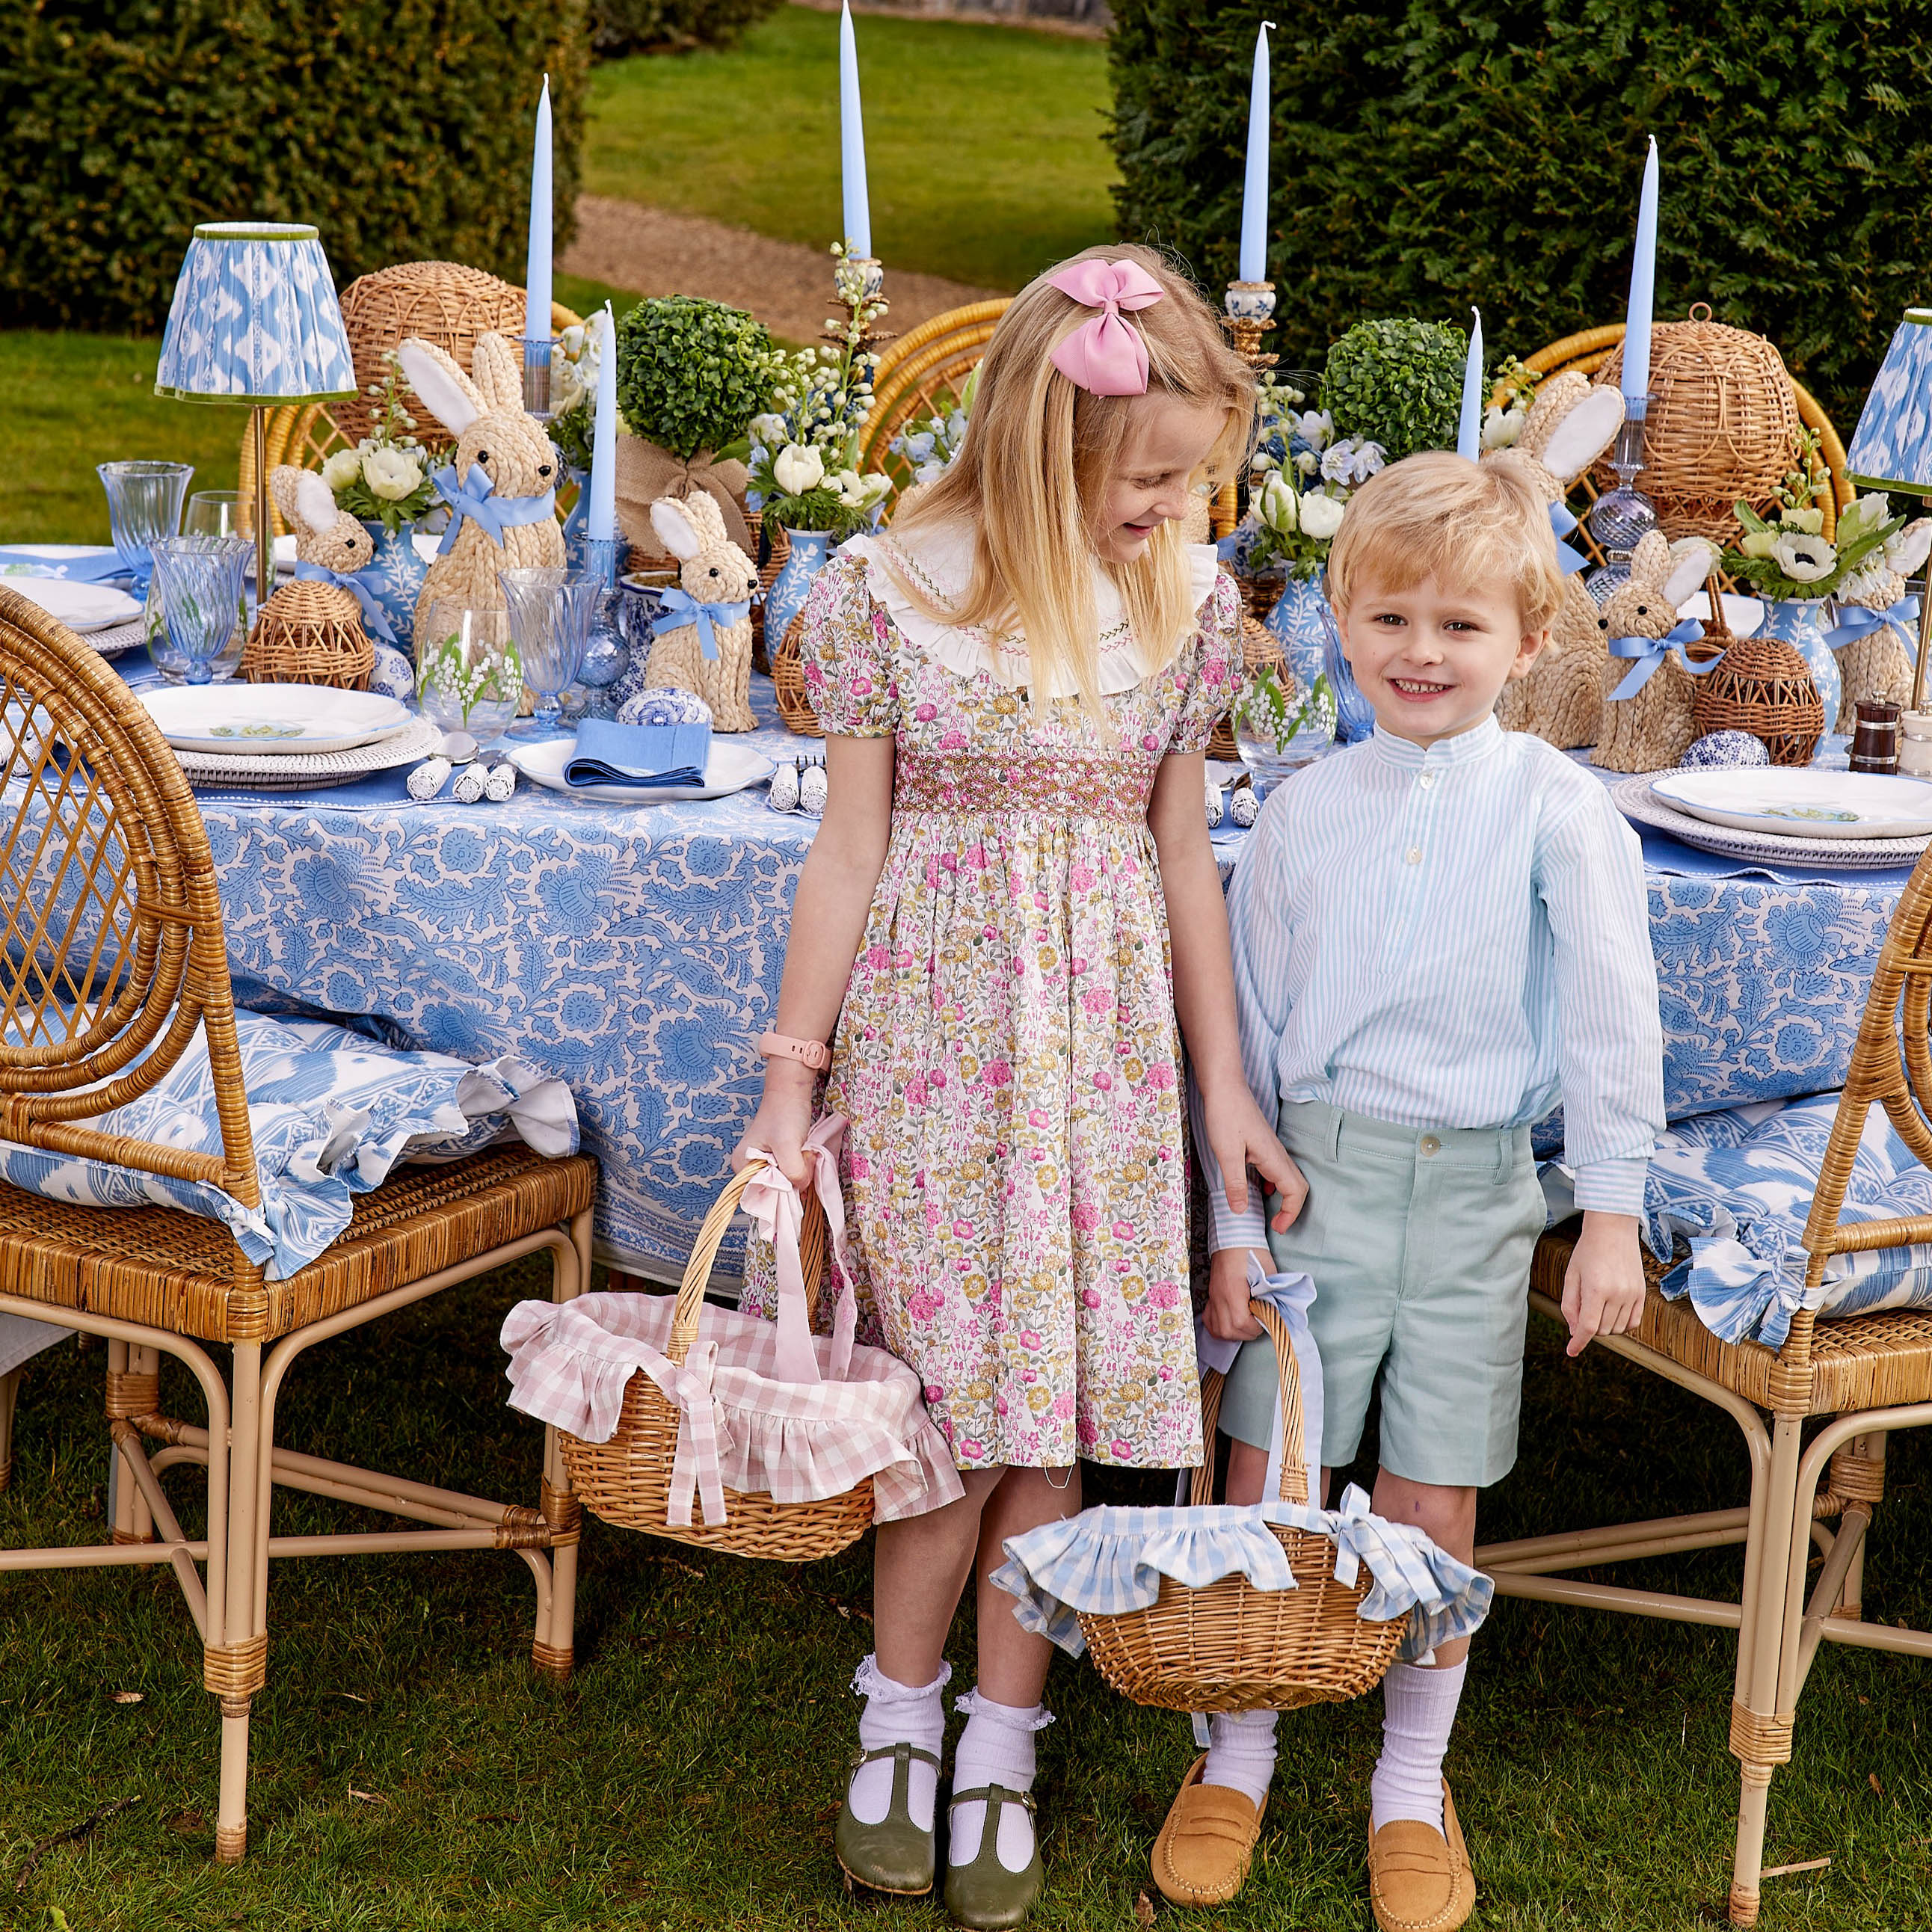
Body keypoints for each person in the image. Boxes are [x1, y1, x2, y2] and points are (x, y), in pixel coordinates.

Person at [730, 244, 1299, 1931]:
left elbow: (1184, 861)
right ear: (1046, 450)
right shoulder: (886, 593)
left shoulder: (1185, 606)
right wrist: (789, 1083)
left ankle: (1001, 1733)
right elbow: (845, 852)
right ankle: (894, 1722)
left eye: (1191, 474)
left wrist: (1224, 1102)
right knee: (946, 1410)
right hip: (934, 1047)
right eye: (1147, 477)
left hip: (1108, 1052)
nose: (1173, 505)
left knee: (1050, 1411)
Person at [1154, 452, 1665, 1931]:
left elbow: (1607, 1016)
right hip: (1309, 1173)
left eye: (1457, 625)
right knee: (1268, 1469)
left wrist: (1610, 1208)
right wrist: (1235, 1225)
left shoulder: (1558, 809)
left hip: (1469, 1191)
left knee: (1431, 1483)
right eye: (1387, 619)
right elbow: (1238, 1037)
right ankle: (1236, 1744)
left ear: (1526, 640)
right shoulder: (1305, 808)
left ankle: (1409, 1771)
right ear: (1338, 616)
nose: (1420, 653)